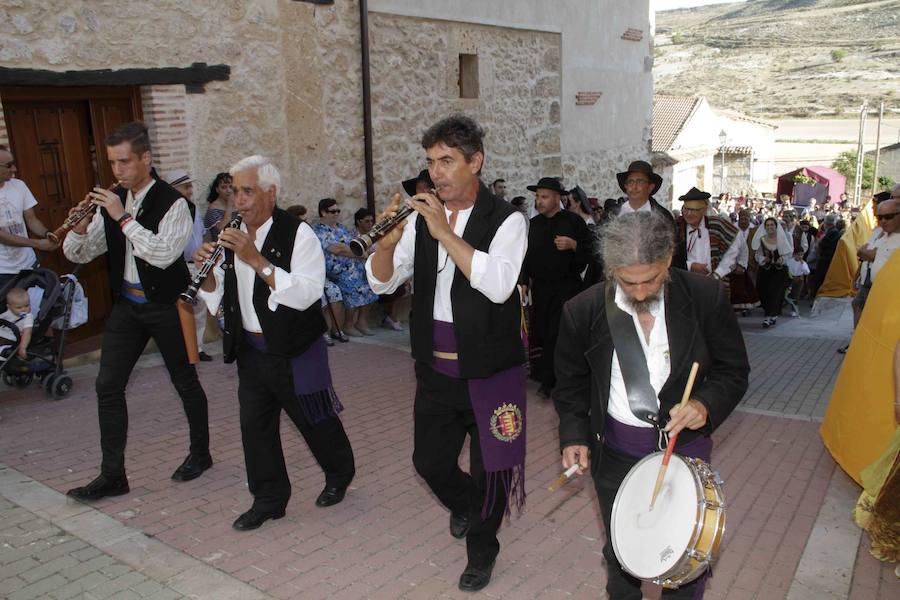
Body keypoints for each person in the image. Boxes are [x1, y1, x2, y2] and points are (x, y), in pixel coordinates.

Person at [366, 114, 527, 592]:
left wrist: (445, 233)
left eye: (447, 161)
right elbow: (382, 281)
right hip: (435, 366)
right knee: (429, 463)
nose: (436, 173)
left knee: (492, 470)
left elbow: (499, 286)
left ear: (475, 162)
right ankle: (467, 507)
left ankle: (482, 549)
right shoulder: (419, 219)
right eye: (431, 162)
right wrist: (387, 244)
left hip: (491, 370)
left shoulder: (508, 220)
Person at [554, 210, 749, 600]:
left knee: (685, 557)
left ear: (669, 260)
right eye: (628, 282)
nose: (641, 292)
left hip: (685, 450)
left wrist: (704, 404)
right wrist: (574, 435)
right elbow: (571, 384)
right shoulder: (583, 310)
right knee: (623, 554)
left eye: (652, 279)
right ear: (610, 268)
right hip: (616, 454)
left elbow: (734, 370)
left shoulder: (704, 297)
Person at [194, 155, 355, 530]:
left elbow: (307, 294)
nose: (240, 201)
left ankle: (339, 472)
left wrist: (255, 258)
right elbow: (221, 299)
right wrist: (204, 280)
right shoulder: (229, 234)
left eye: (247, 191)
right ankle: (269, 499)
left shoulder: (299, 234)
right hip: (251, 350)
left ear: (271, 192)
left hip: (294, 349)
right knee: (255, 428)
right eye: (235, 192)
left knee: (314, 419)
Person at [63, 121, 212, 501]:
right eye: (112, 163)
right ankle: (113, 475)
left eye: (125, 162)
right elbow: (80, 253)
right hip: (128, 306)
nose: (117, 171)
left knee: (185, 381)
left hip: (167, 305)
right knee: (107, 386)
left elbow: (163, 254)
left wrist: (122, 218)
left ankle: (201, 453)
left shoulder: (175, 203)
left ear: (146, 158)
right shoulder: (115, 200)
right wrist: (79, 229)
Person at [521, 176, 591, 398]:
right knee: (542, 331)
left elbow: (590, 253)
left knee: (559, 334)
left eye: (544, 197)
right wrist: (523, 280)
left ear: (557, 198)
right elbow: (524, 256)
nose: (539, 201)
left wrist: (574, 245)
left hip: (566, 289)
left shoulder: (573, 221)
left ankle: (556, 380)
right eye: (537, 197)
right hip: (541, 290)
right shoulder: (534, 224)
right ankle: (544, 375)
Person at [164, 169, 212, 361]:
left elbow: (199, 234)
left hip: (197, 264)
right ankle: (184, 349)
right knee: (182, 309)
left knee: (200, 307)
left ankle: (198, 348)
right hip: (181, 265)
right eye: (186, 186)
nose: (190, 190)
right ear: (175, 189)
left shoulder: (193, 208)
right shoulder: (168, 211)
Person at [313, 198, 378, 336]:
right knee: (354, 284)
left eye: (338, 210)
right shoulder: (319, 230)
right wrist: (360, 255)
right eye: (332, 211)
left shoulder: (341, 228)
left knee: (370, 282)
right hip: (335, 270)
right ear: (323, 213)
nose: (336, 213)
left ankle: (361, 321)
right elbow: (337, 249)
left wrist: (353, 251)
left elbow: (350, 245)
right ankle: (348, 325)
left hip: (352, 264)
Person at [0, 146, 59, 288]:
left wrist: (47, 234)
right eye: (9, 165)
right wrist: (38, 244)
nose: (14, 169)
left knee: (35, 308)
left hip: (28, 265)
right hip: (3, 272)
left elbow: (31, 219)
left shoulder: (19, 186)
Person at [672, 187, 741, 281]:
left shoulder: (716, 225)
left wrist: (718, 273)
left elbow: (733, 249)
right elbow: (666, 256)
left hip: (714, 282)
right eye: (686, 209)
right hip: (684, 282)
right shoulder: (677, 227)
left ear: (703, 210)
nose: (688, 214)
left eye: (693, 210)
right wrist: (690, 266)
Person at [752, 217, 793, 328]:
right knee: (764, 293)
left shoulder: (783, 239)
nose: (770, 227)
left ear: (776, 226)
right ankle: (771, 315)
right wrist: (762, 259)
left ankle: (769, 317)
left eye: (772, 225)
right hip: (765, 270)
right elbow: (758, 254)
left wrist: (782, 259)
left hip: (779, 271)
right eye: (768, 225)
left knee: (775, 293)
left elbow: (788, 253)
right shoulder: (762, 239)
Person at [729, 209, 760, 315]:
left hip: (751, 262)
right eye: (741, 218)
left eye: (746, 218)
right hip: (734, 262)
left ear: (749, 219)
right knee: (737, 286)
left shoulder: (754, 230)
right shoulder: (732, 227)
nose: (743, 221)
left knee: (749, 285)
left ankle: (748, 307)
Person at [0, 287, 34, 361]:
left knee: (3, 351)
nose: (24, 309)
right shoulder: (6, 313)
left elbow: (27, 333)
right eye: (19, 307)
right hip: (2, 335)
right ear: (9, 307)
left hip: (10, 340)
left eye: (27, 305)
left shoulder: (28, 318)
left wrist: (22, 347)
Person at [203, 172, 236, 242]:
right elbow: (223, 229)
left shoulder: (238, 204)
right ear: (217, 190)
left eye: (231, 187)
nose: (228, 191)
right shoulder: (213, 209)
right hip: (222, 247)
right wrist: (229, 205)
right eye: (224, 187)